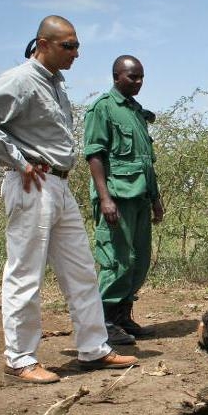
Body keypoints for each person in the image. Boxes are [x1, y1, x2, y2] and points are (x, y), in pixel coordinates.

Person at [0, 15, 139, 383]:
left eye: (77, 46)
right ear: (43, 44)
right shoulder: (22, 79)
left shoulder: (55, 83)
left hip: (59, 184)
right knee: (25, 274)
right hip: (33, 183)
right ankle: (20, 359)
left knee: (81, 270)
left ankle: (94, 348)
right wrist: (17, 160)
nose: (76, 53)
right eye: (68, 46)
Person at [84, 55, 164, 345]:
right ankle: (103, 323)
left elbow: (146, 162)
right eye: (133, 77)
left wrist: (155, 198)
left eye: (142, 77)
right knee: (117, 260)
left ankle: (123, 318)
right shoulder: (102, 108)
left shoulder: (136, 112)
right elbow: (95, 154)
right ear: (117, 76)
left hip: (140, 196)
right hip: (117, 197)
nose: (139, 82)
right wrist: (105, 198)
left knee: (139, 261)